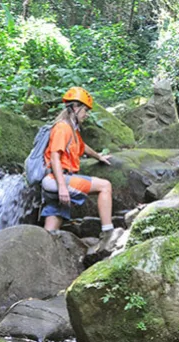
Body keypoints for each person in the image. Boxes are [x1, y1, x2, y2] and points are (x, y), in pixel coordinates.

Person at [41, 87, 116, 236]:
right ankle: (109, 233)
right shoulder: (62, 128)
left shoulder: (71, 130)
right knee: (105, 186)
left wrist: (99, 157)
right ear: (75, 108)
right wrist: (62, 187)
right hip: (57, 179)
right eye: (85, 110)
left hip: (54, 181)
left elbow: (83, 147)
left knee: (51, 230)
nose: (86, 115)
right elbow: (55, 157)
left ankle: (44, 248)